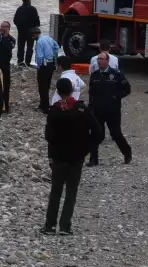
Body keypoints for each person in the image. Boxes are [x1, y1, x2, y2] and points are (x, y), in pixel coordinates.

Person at [42, 78, 104, 236]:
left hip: (58, 157)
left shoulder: (54, 110)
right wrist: (87, 148)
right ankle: (65, 226)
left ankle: (50, 225)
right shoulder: (81, 109)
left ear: (58, 91)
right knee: (71, 192)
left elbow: (48, 135)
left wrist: (52, 152)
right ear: (71, 90)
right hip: (76, 157)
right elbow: (97, 132)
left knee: (55, 191)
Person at [88, 52, 132, 166]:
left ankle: (127, 153)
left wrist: (115, 96)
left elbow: (127, 89)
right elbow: (91, 92)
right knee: (96, 134)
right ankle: (93, 159)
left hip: (112, 110)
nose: (99, 61)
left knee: (116, 134)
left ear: (107, 61)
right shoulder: (95, 75)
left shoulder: (116, 75)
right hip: (98, 110)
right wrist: (90, 106)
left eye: (101, 59)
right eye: (98, 59)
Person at [0, 21, 17, 113]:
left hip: (5, 66)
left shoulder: (11, 39)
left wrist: (5, 37)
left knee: (5, 86)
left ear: (9, 29)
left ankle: (5, 107)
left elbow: (9, 47)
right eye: (2, 26)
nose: (3, 28)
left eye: (5, 27)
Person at [33, 26, 59, 113]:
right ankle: (43, 104)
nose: (33, 38)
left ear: (36, 34)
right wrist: (55, 58)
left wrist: (39, 67)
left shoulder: (39, 42)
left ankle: (45, 107)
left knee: (42, 87)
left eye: (33, 36)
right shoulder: (49, 38)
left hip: (44, 66)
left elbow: (40, 57)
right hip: (51, 64)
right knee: (47, 85)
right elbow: (57, 47)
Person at [13, 0, 40, 67]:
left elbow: (15, 20)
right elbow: (37, 21)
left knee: (20, 47)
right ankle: (28, 62)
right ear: (28, 0)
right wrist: (36, 25)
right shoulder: (33, 9)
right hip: (31, 33)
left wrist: (19, 26)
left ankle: (20, 62)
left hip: (21, 32)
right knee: (29, 48)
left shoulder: (19, 9)